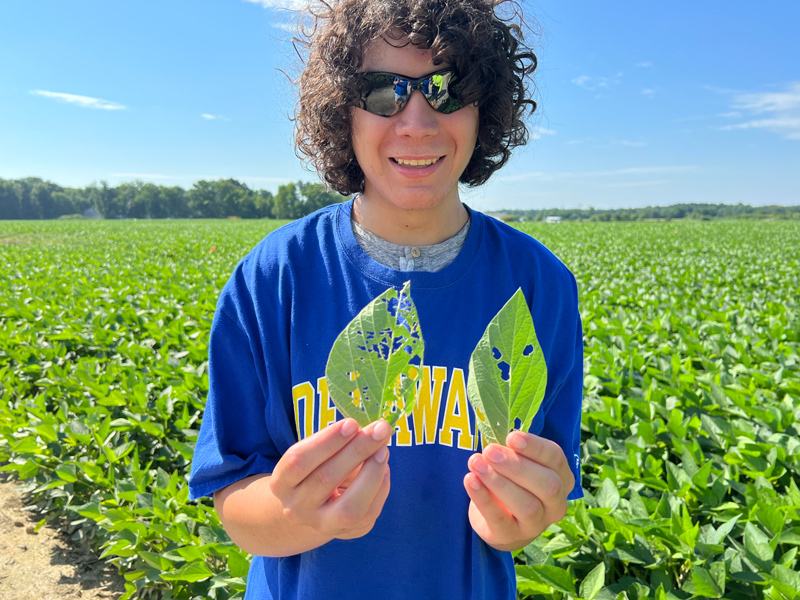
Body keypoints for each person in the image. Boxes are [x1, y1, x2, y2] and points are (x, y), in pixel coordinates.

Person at [188, 1, 584, 598]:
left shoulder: (541, 287)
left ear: (485, 108)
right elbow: (234, 501)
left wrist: (517, 521)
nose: (418, 122)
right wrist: (302, 515)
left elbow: (537, 496)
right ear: (342, 112)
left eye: (448, 88)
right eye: (383, 92)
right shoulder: (272, 278)